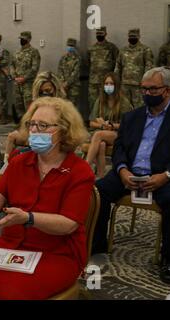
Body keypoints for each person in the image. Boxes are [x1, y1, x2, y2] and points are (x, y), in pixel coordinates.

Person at [0, 97, 94, 299]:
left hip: (57, 252)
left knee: (13, 294)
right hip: (11, 245)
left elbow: (69, 224)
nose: (35, 130)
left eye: (43, 125)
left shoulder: (79, 171)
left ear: (64, 131)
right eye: (32, 124)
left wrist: (29, 218)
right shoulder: (18, 162)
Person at [92, 67, 170, 284]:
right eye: (144, 89)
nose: (146, 93)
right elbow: (119, 149)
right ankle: (96, 243)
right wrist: (122, 170)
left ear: (167, 91)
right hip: (128, 174)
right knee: (98, 191)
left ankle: (168, 259)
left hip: (162, 177)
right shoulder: (131, 118)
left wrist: (165, 175)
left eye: (153, 89)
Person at [5, 71, 66, 162]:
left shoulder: (63, 106)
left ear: (55, 88)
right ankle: (5, 166)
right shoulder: (35, 105)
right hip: (34, 136)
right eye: (42, 92)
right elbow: (27, 125)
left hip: (53, 138)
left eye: (48, 90)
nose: (45, 93)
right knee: (11, 136)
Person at [86, 73, 133, 179]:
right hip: (104, 132)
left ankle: (85, 166)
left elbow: (128, 125)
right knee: (101, 144)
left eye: (111, 83)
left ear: (116, 85)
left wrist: (112, 126)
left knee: (98, 135)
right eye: (106, 83)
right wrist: (102, 125)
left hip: (119, 134)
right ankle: (100, 176)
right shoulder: (100, 100)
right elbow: (91, 122)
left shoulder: (123, 102)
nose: (108, 86)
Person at [115, 29, 154, 109]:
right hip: (124, 84)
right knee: (124, 107)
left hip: (139, 85)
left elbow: (149, 67)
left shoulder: (145, 50)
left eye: (134, 36)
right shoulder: (123, 50)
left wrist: (146, 82)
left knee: (139, 107)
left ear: (139, 37)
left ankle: (139, 121)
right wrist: (116, 81)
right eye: (130, 36)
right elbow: (118, 66)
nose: (132, 38)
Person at [12, 31, 41, 122]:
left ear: (28, 39)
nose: (21, 40)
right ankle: (21, 123)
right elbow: (12, 65)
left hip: (28, 83)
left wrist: (24, 78)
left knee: (29, 104)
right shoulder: (17, 52)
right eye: (20, 39)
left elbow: (34, 68)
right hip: (17, 83)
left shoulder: (34, 52)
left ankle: (30, 123)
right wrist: (14, 77)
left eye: (23, 39)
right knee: (18, 104)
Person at [88, 26, 119, 111]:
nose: (99, 35)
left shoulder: (111, 47)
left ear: (105, 34)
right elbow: (88, 63)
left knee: (107, 101)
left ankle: (107, 119)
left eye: (101, 34)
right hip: (93, 81)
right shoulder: (91, 48)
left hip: (107, 82)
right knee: (92, 102)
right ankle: (94, 121)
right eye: (97, 34)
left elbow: (117, 62)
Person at [58, 38, 81, 108]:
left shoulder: (78, 58)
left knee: (72, 107)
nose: (70, 47)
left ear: (74, 47)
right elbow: (59, 70)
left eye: (71, 46)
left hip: (73, 87)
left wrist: (67, 83)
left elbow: (75, 73)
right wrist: (62, 82)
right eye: (69, 45)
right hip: (63, 86)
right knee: (63, 105)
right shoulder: (63, 58)